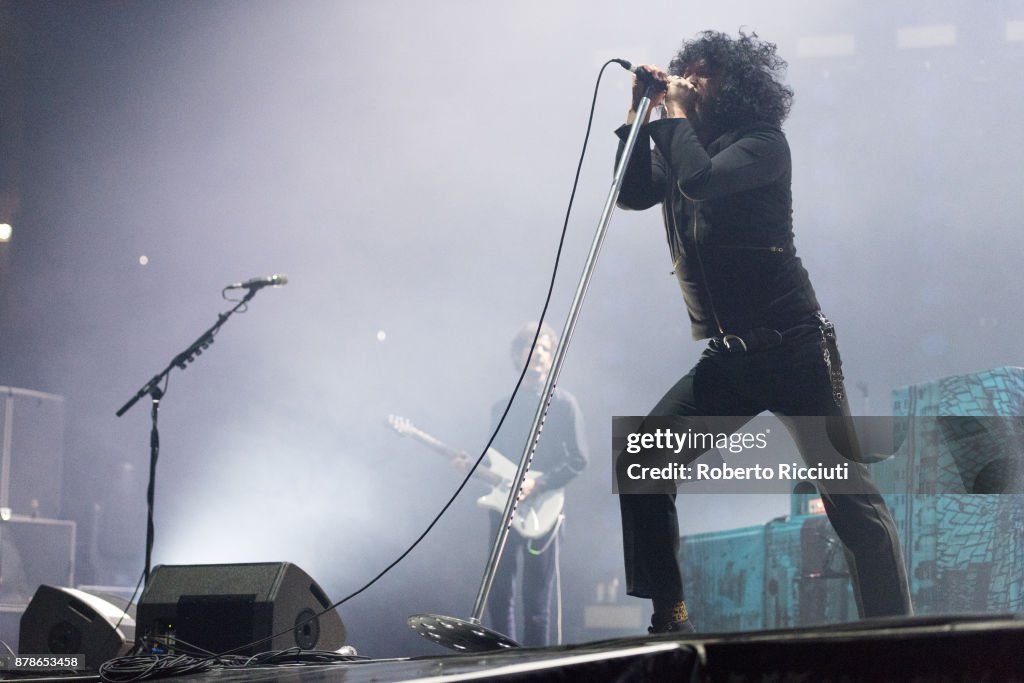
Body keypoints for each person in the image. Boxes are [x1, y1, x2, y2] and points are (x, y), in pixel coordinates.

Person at [613, 31, 912, 633]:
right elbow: (630, 194)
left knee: (850, 503)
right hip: (731, 361)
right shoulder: (685, 142)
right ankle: (670, 616)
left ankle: (895, 634)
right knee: (643, 459)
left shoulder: (762, 145)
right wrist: (638, 111)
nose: (691, 80)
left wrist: (671, 113)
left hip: (795, 349)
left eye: (705, 73)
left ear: (736, 85)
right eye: (686, 71)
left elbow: (699, 179)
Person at [486, 321, 588, 646]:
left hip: (543, 509)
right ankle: (503, 664)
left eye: (544, 349)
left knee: (537, 600)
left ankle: (535, 669)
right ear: (517, 356)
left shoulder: (563, 404)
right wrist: (472, 468)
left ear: (552, 357)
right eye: (530, 348)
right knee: (499, 593)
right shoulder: (501, 407)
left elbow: (578, 459)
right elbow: (495, 460)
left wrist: (539, 484)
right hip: (504, 507)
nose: (538, 355)